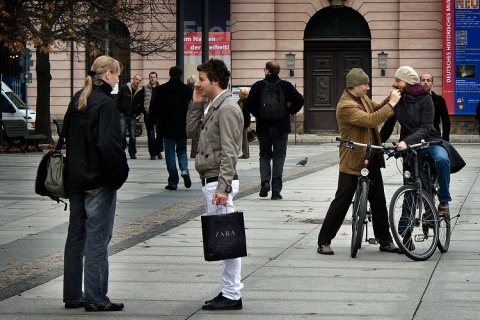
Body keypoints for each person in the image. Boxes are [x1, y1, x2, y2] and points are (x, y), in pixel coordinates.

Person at [62, 55, 129, 311]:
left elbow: (67, 134)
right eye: (117, 74)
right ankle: (96, 296)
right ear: (108, 74)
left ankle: (72, 294)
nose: (117, 80)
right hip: (98, 179)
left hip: (75, 177)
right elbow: (109, 144)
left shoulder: (79, 97)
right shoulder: (105, 104)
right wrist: (120, 173)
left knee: (76, 237)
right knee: (98, 238)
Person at [316, 68, 401, 255]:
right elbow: (371, 120)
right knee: (343, 199)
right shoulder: (345, 106)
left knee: (378, 200)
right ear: (355, 85)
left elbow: (376, 108)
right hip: (353, 159)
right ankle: (324, 241)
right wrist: (392, 104)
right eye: (365, 85)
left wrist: (390, 98)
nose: (368, 88)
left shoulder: (362, 99)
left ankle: (385, 241)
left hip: (370, 156)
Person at [186, 59, 244, 310]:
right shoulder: (212, 106)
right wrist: (196, 103)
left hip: (219, 181)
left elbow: (231, 152)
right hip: (211, 179)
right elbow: (191, 132)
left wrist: (222, 187)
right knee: (223, 239)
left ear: (215, 81)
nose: (198, 83)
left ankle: (232, 294)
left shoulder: (227, 108)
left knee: (227, 239)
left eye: (202, 80)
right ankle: (228, 291)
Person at [380, 66, 466, 218]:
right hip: (410, 146)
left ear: (406, 82)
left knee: (441, 159)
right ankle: (405, 231)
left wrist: (405, 142)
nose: (395, 84)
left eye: (398, 81)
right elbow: (389, 124)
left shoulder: (426, 98)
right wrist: (379, 143)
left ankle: (444, 200)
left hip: (430, 140)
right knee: (411, 184)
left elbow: (426, 127)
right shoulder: (398, 99)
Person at [245, 61, 304, 200]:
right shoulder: (286, 86)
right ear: (277, 71)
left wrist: (259, 114)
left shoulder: (258, 86)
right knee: (279, 156)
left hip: (263, 127)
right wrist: (289, 111)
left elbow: (249, 104)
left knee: (264, 154)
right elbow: (300, 100)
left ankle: (265, 182)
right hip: (281, 127)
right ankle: (276, 190)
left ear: (267, 71)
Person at [149, 66, 193, 190]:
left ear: (169, 74)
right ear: (181, 75)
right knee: (182, 151)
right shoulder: (186, 89)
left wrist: (151, 123)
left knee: (170, 154)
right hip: (181, 125)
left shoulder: (162, 89)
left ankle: (173, 181)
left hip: (167, 126)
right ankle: (184, 171)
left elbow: (155, 108)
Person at [133, 71, 164, 160]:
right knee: (150, 134)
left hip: (158, 114)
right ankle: (153, 153)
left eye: (154, 77)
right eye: (151, 77)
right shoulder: (145, 88)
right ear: (149, 78)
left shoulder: (160, 88)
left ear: (156, 78)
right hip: (149, 114)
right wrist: (144, 110)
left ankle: (159, 151)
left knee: (159, 134)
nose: (152, 79)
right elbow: (141, 100)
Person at [116, 73, 143, 159]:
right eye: (136, 79)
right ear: (133, 79)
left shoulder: (140, 91)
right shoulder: (124, 88)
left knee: (133, 136)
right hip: (123, 114)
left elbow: (141, 104)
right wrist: (119, 112)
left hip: (132, 116)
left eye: (139, 80)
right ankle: (122, 150)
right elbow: (118, 100)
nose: (137, 81)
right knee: (122, 133)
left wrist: (138, 114)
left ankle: (132, 152)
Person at [420, 73, 451, 141]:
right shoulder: (415, 99)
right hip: (418, 136)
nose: (425, 82)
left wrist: (445, 138)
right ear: (419, 83)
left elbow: (446, 120)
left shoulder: (439, 100)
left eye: (428, 80)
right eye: (423, 80)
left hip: (435, 136)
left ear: (432, 84)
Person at [187, 74, 199, 158]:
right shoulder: (196, 89)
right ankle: (194, 152)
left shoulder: (188, 88)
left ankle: (193, 152)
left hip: (190, 112)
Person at [237, 87, 251, 159]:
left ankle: (245, 154)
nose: (238, 93)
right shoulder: (246, 101)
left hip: (243, 123)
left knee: (244, 139)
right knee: (244, 138)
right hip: (246, 122)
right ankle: (246, 153)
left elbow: (240, 113)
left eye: (240, 92)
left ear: (243, 94)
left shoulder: (242, 101)